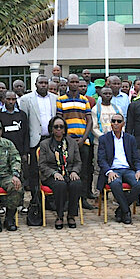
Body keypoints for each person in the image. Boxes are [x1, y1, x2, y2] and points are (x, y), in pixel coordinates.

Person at [97, 112, 140, 224]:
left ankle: (120, 210)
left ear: (123, 124)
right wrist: (109, 172)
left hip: (128, 170)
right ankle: (126, 212)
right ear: (111, 124)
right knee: (115, 183)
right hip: (113, 170)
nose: (116, 123)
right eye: (113, 121)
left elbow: (137, 158)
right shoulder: (104, 139)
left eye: (118, 121)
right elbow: (101, 160)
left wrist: (139, 171)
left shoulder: (130, 139)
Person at [56, 74, 95, 209]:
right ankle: (69, 200)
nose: (74, 84)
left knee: (84, 171)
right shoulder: (61, 100)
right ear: (67, 83)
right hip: (67, 141)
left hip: (83, 141)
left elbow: (89, 121)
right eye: (71, 81)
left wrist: (83, 138)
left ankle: (83, 199)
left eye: (76, 82)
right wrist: (67, 139)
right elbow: (59, 121)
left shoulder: (84, 100)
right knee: (67, 170)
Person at [38, 116, 84, 229]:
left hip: (69, 172)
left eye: (61, 127)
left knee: (76, 184)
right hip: (51, 175)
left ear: (64, 129)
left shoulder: (72, 143)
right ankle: (59, 216)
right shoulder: (45, 144)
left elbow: (78, 162)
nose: (58, 129)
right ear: (51, 129)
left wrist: (75, 171)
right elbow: (42, 165)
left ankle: (71, 215)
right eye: (56, 127)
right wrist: (54, 173)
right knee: (60, 185)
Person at [19, 75, 57, 204]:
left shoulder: (55, 98)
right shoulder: (26, 99)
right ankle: (36, 200)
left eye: (45, 82)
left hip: (51, 139)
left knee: (51, 168)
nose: (43, 85)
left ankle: (50, 200)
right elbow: (24, 124)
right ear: (35, 84)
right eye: (41, 82)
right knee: (35, 171)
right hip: (35, 140)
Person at [0, 91, 30, 207]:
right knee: (4, 177)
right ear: (4, 99)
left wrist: (25, 152)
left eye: (13, 99)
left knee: (19, 177)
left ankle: (20, 203)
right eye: (8, 99)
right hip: (2, 152)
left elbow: (26, 134)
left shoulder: (22, 115)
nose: (11, 102)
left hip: (19, 151)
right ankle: (2, 204)